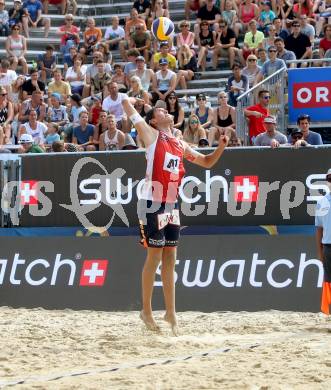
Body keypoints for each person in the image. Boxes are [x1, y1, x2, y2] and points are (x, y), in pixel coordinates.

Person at [120, 96, 229, 333]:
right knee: (155, 257)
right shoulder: (151, 135)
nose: (164, 111)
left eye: (164, 110)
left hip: (171, 205)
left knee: (170, 258)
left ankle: (171, 313)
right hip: (151, 203)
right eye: (159, 111)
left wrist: (221, 146)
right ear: (153, 120)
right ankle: (146, 312)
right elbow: (126, 106)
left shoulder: (180, 144)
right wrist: (135, 100)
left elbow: (208, 162)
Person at [315, 168, 331, 315]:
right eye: (330, 179)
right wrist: (320, 252)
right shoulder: (322, 202)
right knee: (329, 281)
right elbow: (319, 229)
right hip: (328, 247)